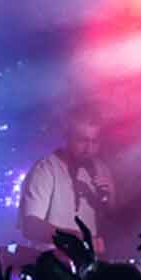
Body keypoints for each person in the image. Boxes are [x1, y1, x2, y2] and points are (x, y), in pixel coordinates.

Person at [18, 107, 116, 254]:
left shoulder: (100, 169)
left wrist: (109, 199)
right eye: (82, 140)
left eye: (94, 142)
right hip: (51, 261)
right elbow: (30, 226)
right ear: (66, 137)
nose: (88, 148)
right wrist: (76, 237)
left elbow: (110, 219)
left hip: (87, 262)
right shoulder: (45, 169)